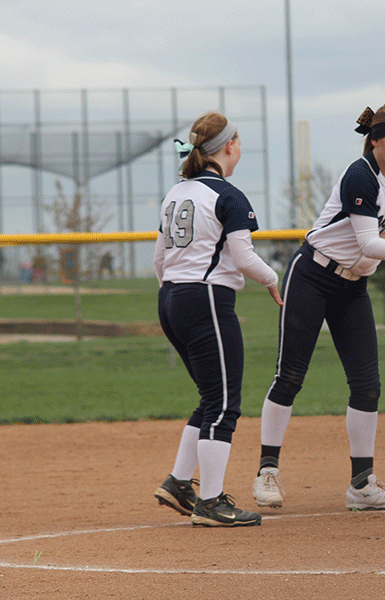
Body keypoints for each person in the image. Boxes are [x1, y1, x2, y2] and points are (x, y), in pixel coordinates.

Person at [251, 101, 385, 511]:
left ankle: (362, 485)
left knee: (367, 384)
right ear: (376, 141)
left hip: (353, 287)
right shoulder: (359, 176)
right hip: (312, 276)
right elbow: (370, 244)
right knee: (290, 375)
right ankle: (267, 473)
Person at [153, 111, 284, 527]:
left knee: (211, 398)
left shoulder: (176, 192)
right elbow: (244, 258)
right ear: (229, 146)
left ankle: (178, 482)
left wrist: (176, 291)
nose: (239, 147)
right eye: (238, 141)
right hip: (205, 298)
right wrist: (273, 277)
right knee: (225, 404)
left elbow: (159, 259)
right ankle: (209, 502)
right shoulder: (228, 195)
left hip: (171, 296)